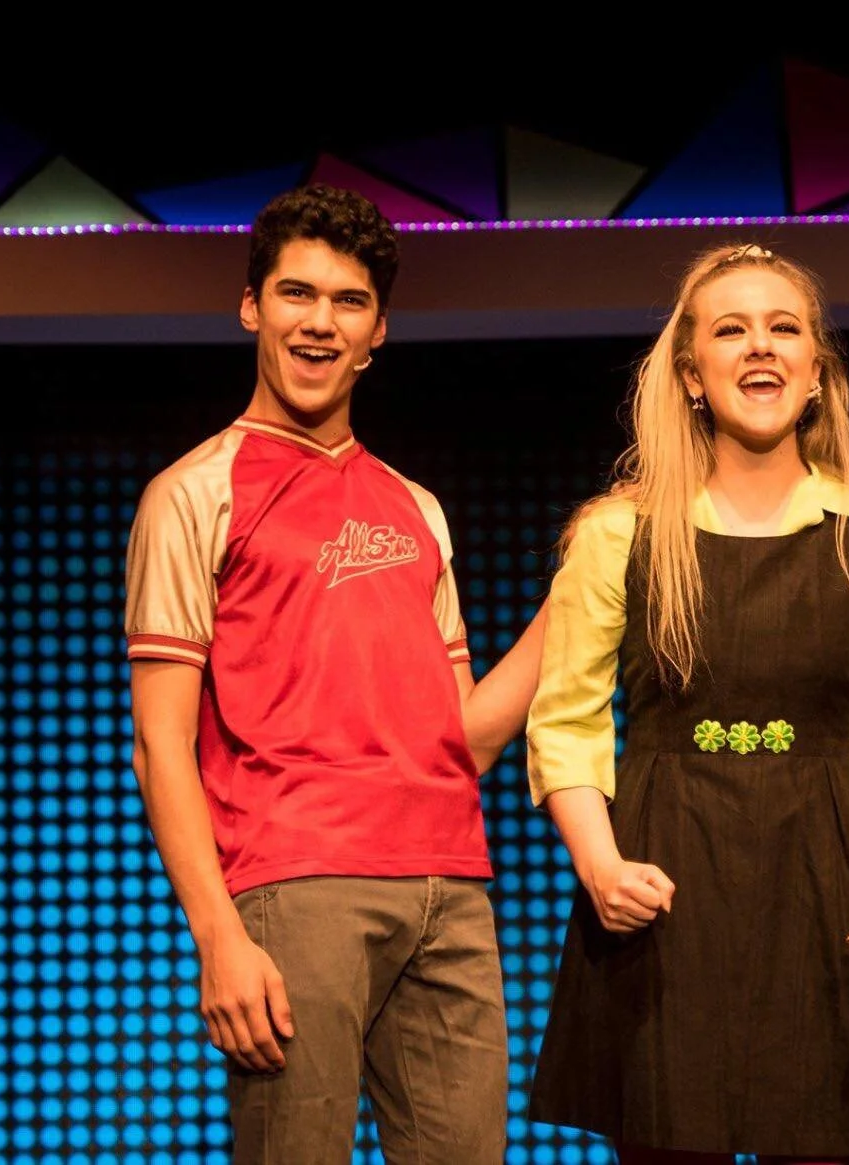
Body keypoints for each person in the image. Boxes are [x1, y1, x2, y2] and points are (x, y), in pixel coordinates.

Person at [523, 240, 849, 1163]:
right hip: (665, 880)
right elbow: (565, 722)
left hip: (827, 877)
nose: (761, 346)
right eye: (731, 330)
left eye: (784, 328)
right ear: (693, 375)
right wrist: (601, 866)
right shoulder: (621, 535)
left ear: (816, 373)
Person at [122, 183, 546, 1163]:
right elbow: (158, 744)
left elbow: (464, 738)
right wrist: (217, 936)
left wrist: (572, 604)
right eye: (296, 294)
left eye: (348, 301)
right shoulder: (193, 493)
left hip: (450, 889)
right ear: (251, 307)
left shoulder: (416, 506)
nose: (320, 322)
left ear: (377, 331)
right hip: (296, 886)